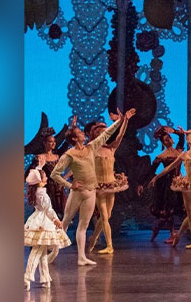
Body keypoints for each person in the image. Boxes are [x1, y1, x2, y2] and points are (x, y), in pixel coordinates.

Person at [49, 113, 126, 266]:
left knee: (83, 226)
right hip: (77, 193)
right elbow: (54, 174)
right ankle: (53, 252)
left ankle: (81, 257)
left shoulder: (91, 147)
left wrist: (120, 121)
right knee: (65, 222)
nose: (84, 134)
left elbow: (107, 133)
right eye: (80, 133)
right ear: (75, 139)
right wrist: (70, 185)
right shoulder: (69, 155)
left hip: (91, 191)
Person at [149, 126, 191, 249]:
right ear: (188, 141)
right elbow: (168, 168)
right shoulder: (183, 155)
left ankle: (178, 235)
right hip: (187, 186)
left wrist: (186, 132)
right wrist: (156, 177)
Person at [86, 109, 135, 254]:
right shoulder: (91, 149)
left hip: (111, 184)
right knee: (104, 216)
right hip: (99, 186)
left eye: (104, 131)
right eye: (98, 132)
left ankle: (94, 237)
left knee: (108, 215)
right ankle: (109, 246)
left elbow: (121, 134)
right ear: (94, 135)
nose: (102, 133)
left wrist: (125, 120)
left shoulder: (111, 148)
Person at [24, 160, 70, 290]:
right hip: (43, 222)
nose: (46, 178)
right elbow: (48, 209)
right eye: (44, 177)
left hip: (38, 219)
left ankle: (45, 278)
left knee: (42, 252)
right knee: (37, 251)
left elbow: (37, 176)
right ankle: (27, 277)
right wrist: (56, 220)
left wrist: (39, 166)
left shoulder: (36, 191)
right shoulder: (42, 193)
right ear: (40, 180)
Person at [138, 126, 186, 243]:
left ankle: (157, 229)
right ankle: (171, 233)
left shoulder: (179, 150)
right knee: (168, 210)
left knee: (179, 209)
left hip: (179, 182)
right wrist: (141, 183)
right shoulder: (161, 156)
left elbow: (181, 136)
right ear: (163, 143)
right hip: (167, 184)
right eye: (165, 140)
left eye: (169, 138)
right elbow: (150, 171)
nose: (168, 140)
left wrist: (173, 131)